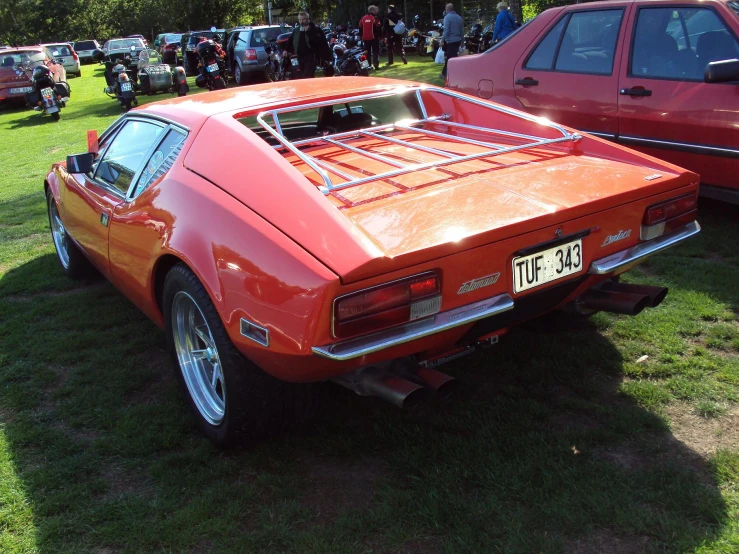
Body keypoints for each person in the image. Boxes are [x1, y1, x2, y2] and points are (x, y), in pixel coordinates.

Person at [284, 11, 331, 79]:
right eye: (300, 19)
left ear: (308, 19)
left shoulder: (314, 28)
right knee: (300, 75)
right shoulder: (296, 30)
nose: (302, 21)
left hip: (310, 57)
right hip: (299, 57)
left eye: (303, 19)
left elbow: (318, 41)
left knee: (307, 76)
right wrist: (286, 49)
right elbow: (290, 40)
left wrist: (309, 32)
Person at [440, 3, 463, 79]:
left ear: (447, 10)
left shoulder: (447, 18)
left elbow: (446, 30)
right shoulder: (459, 18)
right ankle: (454, 73)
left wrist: (442, 40)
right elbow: (461, 31)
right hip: (458, 40)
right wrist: (462, 41)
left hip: (451, 41)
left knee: (450, 58)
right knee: (455, 57)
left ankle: (444, 74)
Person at [359, 5, 382, 70]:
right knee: (375, 51)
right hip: (374, 38)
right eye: (375, 10)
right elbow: (378, 28)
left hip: (365, 38)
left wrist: (361, 36)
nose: (376, 11)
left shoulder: (363, 18)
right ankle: (376, 65)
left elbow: (360, 28)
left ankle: (365, 66)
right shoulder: (375, 18)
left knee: (365, 52)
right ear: (371, 10)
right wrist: (380, 36)